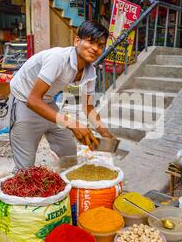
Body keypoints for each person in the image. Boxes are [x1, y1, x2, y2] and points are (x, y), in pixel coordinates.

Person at [9, 20, 114, 171]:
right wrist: (72, 124)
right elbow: (33, 100)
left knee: (68, 152)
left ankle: (68, 184)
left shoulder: (90, 71)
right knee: (25, 168)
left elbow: (88, 107)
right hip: (23, 100)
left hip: (47, 101)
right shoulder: (58, 58)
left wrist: (105, 134)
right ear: (77, 41)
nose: (95, 49)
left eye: (100, 46)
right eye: (91, 42)